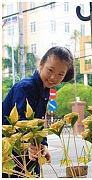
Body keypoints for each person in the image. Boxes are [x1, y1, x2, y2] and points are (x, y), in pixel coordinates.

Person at [2, 46, 75, 177]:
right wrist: (29, 144)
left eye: (60, 74)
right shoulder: (25, 87)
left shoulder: (44, 89)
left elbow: (39, 123)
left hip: (28, 156)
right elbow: (21, 122)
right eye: (50, 70)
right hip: (10, 155)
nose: (53, 77)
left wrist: (43, 145)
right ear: (41, 64)